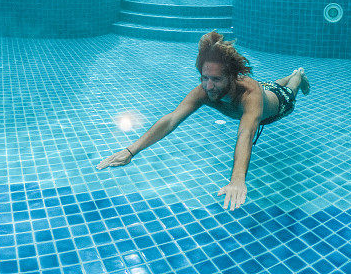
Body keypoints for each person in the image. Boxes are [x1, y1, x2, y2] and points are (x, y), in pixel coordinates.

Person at [96, 31, 310, 211]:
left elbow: (245, 133)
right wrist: (131, 151)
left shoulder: (249, 94)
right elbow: (171, 119)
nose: (208, 86)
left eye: (216, 79)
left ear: (232, 77)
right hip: (265, 90)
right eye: (204, 78)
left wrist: (237, 179)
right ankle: (285, 79)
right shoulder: (204, 91)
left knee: (288, 89)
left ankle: (298, 74)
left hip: (278, 105)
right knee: (271, 85)